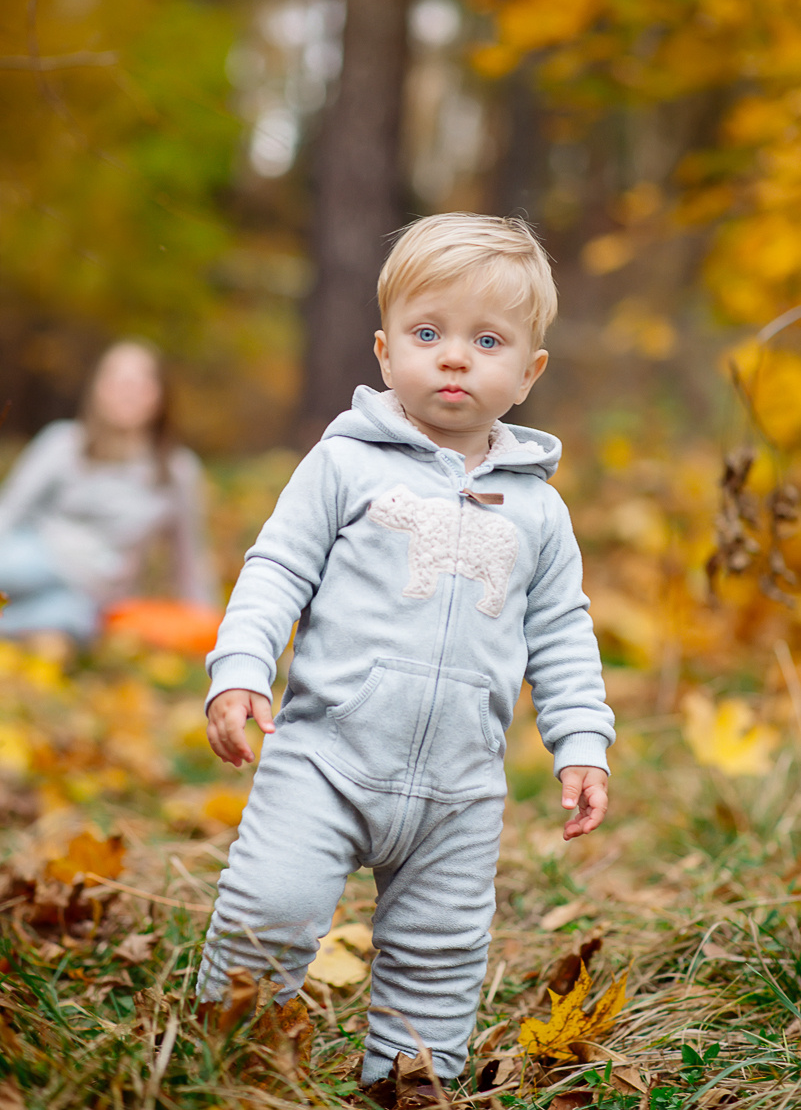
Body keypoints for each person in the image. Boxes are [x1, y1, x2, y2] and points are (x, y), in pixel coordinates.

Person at [198, 214, 615, 1098]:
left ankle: (409, 1080)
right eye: (428, 334)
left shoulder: (539, 512)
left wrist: (581, 742)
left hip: (459, 788)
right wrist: (239, 669)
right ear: (386, 353)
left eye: (487, 340)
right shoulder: (343, 466)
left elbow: (562, 633)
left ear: (528, 372)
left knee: (439, 954)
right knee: (270, 907)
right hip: (325, 756)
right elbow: (276, 569)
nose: (454, 357)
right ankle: (229, 1049)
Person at [0, 339, 216, 648]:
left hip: (89, 597)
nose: (127, 390)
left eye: (140, 381)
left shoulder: (177, 471)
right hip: (35, 558)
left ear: (160, 395)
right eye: (116, 379)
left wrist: (214, 636)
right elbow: (8, 512)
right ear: (97, 390)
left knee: (68, 621)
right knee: (15, 567)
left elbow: (190, 563)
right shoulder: (62, 442)